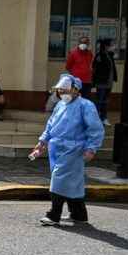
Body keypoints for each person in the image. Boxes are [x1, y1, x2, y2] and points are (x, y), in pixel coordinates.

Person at [33, 74, 104, 226]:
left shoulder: (86, 105)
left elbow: (95, 129)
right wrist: (42, 141)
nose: (62, 94)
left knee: (59, 179)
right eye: (60, 91)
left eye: (65, 90)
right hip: (56, 147)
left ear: (76, 89)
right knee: (73, 182)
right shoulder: (60, 105)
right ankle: (79, 214)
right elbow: (51, 125)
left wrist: (91, 148)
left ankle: (54, 214)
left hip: (74, 148)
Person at [92, 39, 118, 126]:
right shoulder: (99, 55)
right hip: (101, 82)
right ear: (106, 46)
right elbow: (94, 67)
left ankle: (104, 118)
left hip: (109, 82)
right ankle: (95, 119)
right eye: (111, 45)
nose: (113, 47)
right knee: (99, 100)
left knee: (105, 101)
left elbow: (112, 68)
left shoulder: (110, 55)